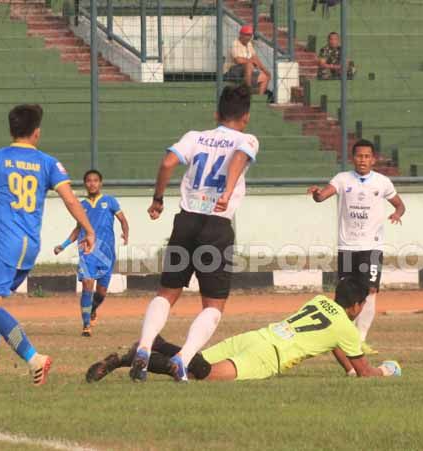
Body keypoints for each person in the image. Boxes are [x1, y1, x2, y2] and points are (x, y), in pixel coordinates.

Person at [128, 85, 260, 383]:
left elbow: (167, 163)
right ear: (246, 117)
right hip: (216, 226)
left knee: (166, 292)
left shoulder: (194, 137)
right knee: (213, 306)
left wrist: (158, 199)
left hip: (185, 222)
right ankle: (183, 359)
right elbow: (239, 157)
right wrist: (226, 191)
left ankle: (145, 347)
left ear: (216, 113)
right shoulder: (247, 139)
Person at [0, 104, 95, 385]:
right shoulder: (48, 162)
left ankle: (35, 359)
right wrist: (89, 231)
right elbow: (71, 200)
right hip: (29, 246)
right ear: (36, 133)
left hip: (1, 245)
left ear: (11, 130)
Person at [85, 277, 401, 382]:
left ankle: (132, 354)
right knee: (202, 375)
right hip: (267, 356)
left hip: (258, 335)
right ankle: (154, 345)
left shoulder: (320, 301)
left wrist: (346, 368)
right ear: (357, 306)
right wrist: (387, 370)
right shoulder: (345, 328)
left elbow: (333, 345)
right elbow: (365, 372)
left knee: (188, 365)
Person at [306, 139, 406, 357]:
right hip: (347, 247)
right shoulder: (342, 179)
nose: (363, 160)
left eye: (367, 156)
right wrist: (316, 193)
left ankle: (360, 340)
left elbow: (400, 204)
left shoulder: (382, 182)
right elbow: (322, 196)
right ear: (353, 158)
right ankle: (342, 337)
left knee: (370, 291)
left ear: (373, 159)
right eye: (359, 156)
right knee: (345, 295)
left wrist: (397, 214)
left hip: (372, 246)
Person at [54, 169, 129, 337]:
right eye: (89, 180)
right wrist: (63, 245)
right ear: (85, 183)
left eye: (95, 180)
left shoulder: (110, 201)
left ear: (100, 183)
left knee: (101, 293)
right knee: (87, 283)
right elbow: (78, 229)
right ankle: (86, 325)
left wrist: (126, 234)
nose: (92, 183)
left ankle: (93, 309)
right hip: (87, 251)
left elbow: (123, 220)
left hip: (106, 253)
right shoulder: (81, 206)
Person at [224, 25, 274, 102]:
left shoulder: (249, 44)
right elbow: (238, 60)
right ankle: (248, 91)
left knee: (265, 76)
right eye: (246, 35)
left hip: (246, 70)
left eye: (250, 35)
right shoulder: (235, 44)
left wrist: (264, 69)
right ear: (241, 34)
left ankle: (259, 100)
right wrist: (250, 61)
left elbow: (255, 58)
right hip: (232, 71)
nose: (248, 37)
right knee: (249, 64)